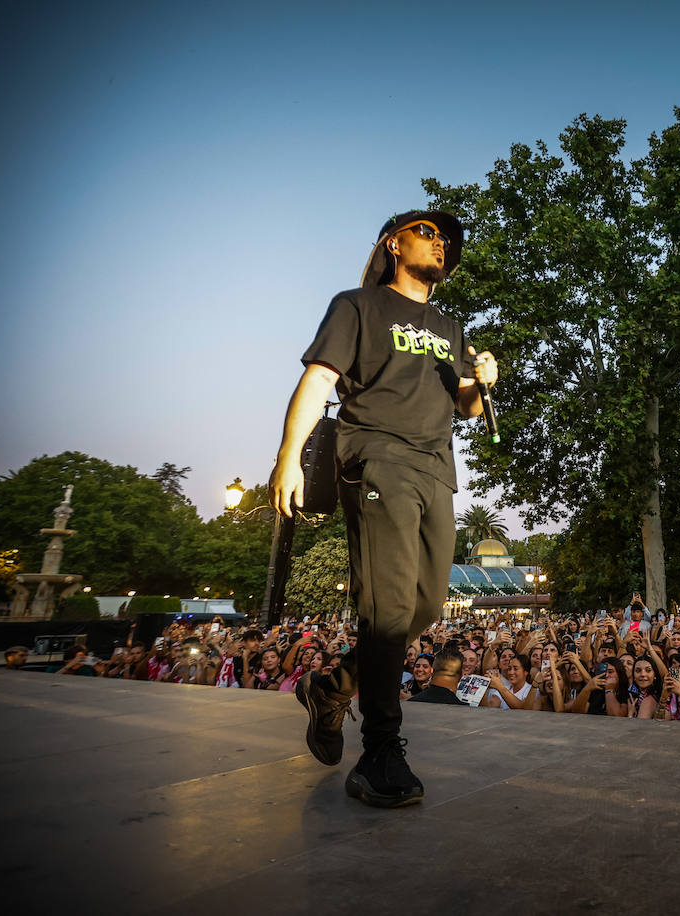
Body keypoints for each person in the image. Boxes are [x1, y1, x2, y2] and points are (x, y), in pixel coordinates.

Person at [274, 209, 498, 808]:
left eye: (448, 241)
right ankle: (380, 751)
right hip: (377, 456)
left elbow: (467, 410)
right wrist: (288, 458)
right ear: (394, 244)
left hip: (436, 470)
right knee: (388, 604)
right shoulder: (358, 305)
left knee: (424, 605)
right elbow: (320, 380)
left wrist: (482, 381)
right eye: (429, 233)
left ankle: (332, 686)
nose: (442, 245)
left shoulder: (450, 327)